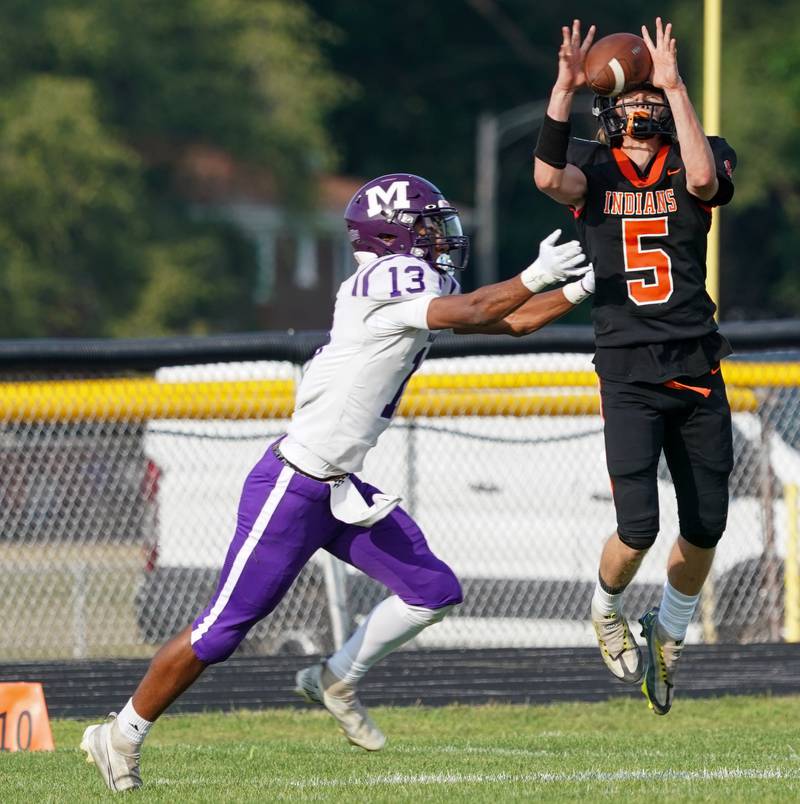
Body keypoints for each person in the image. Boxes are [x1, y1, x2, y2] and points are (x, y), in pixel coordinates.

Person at [80, 172, 594, 791]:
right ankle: (119, 735)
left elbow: (512, 322)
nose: (440, 237)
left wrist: (585, 284)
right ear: (391, 235)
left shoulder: (411, 287)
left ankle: (335, 676)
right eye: (426, 226)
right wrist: (534, 276)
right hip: (293, 487)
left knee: (432, 589)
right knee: (221, 631)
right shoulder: (387, 280)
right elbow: (484, 307)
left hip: (339, 486)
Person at [534, 17, 736, 715]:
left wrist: (678, 87)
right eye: (636, 90)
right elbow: (543, 175)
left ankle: (670, 636)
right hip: (627, 365)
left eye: (652, 90)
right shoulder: (590, 166)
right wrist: (562, 90)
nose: (643, 100)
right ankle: (606, 607)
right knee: (639, 528)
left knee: (708, 521)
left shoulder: (695, 152)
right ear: (607, 107)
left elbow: (707, 181)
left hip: (696, 360)